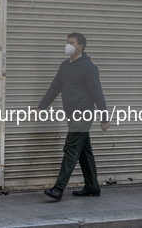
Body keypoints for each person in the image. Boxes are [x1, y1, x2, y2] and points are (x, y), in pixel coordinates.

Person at [38, 32, 111, 201]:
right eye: (67, 42)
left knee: (71, 148)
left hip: (83, 113)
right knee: (84, 151)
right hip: (71, 113)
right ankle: (92, 186)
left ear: (80, 47)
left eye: (71, 42)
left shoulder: (88, 67)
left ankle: (58, 188)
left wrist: (104, 118)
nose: (67, 45)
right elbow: (55, 87)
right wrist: (42, 106)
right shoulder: (65, 66)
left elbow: (97, 93)